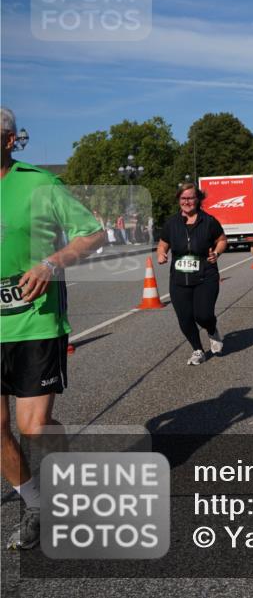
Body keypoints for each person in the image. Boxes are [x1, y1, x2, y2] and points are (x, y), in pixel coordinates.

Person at [1, 107, 106, 550]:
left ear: (8, 140)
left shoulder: (40, 183)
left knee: (35, 426)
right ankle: (36, 503)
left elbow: (93, 233)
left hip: (35, 319)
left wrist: (52, 262)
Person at [157, 183, 227, 366]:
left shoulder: (209, 221)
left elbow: (222, 240)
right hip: (179, 279)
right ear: (179, 200)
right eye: (183, 198)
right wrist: (161, 253)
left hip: (206, 275)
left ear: (198, 199)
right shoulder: (172, 223)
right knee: (185, 317)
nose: (187, 202)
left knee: (203, 315)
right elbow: (163, 243)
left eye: (191, 198)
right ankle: (197, 349)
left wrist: (217, 253)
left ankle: (212, 329)